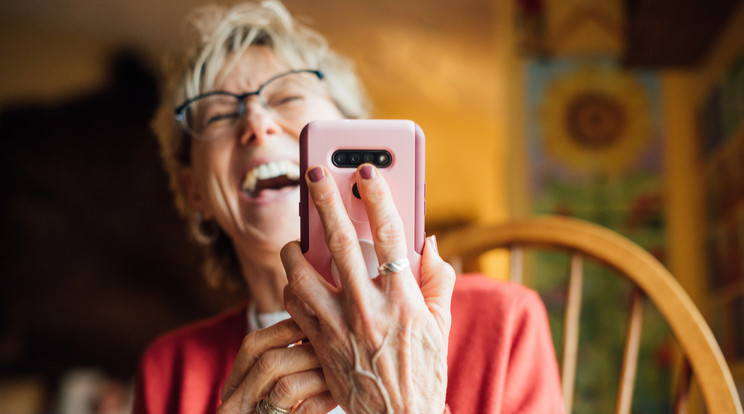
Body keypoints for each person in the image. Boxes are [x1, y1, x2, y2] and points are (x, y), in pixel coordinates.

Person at [133, 1, 564, 413]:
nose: (256, 124)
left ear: (359, 144)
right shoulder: (168, 369)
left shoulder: (504, 323)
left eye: (286, 98)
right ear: (195, 193)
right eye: (219, 115)